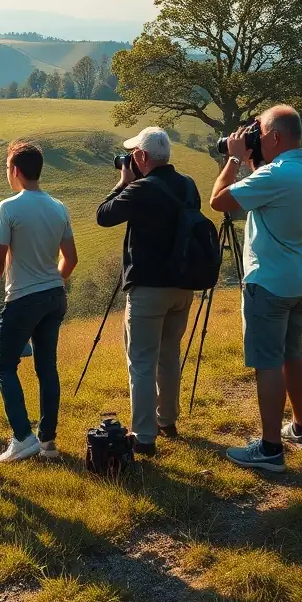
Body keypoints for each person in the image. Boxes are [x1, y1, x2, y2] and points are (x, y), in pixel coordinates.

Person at [210, 106, 302, 472]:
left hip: (269, 285)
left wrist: (233, 159)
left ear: (276, 137)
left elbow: (220, 201)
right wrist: (252, 164)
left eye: (259, 133)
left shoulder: (276, 177)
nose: (256, 139)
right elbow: (268, 191)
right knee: (293, 354)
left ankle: (269, 448)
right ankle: (301, 427)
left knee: (268, 364)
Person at [96, 127, 201, 457]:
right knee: (168, 356)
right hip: (183, 285)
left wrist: (123, 182)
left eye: (134, 155)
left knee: (141, 362)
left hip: (148, 289)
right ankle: (167, 420)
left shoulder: (140, 189)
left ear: (141, 157)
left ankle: (143, 436)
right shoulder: (188, 185)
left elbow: (103, 216)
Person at [0, 141, 78, 463]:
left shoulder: (8, 208)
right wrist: (54, 281)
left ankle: (23, 437)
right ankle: (47, 441)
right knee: (46, 367)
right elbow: (71, 258)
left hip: (23, 298)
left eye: (8, 167)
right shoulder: (58, 207)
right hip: (54, 295)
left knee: (3, 366)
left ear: (16, 171)